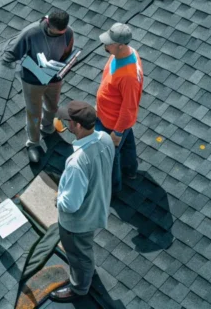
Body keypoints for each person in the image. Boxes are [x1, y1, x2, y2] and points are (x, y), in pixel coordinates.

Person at [49, 101, 114, 303]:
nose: (64, 123)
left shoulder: (77, 162)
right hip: (97, 208)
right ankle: (87, 270)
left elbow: (70, 204)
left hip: (77, 223)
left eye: (67, 120)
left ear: (77, 125)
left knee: (78, 255)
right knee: (85, 251)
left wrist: (58, 198)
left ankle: (79, 289)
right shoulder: (105, 139)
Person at [2, 8, 75, 163]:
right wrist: (28, 66)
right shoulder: (31, 33)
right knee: (34, 112)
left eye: (61, 33)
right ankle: (33, 143)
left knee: (52, 106)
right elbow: (10, 56)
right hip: (32, 81)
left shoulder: (67, 33)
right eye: (56, 33)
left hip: (54, 78)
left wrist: (59, 67)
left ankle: (47, 128)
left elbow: (67, 54)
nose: (59, 35)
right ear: (48, 24)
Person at [95, 22, 143, 192]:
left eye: (109, 43)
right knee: (127, 144)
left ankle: (112, 188)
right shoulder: (124, 54)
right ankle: (130, 170)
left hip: (113, 122)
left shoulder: (129, 77)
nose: (105, 44)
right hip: (113, 117)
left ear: (121, 45)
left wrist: (117, 132)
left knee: (110, 156)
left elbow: (128, 106)